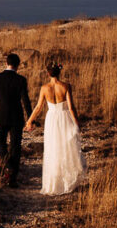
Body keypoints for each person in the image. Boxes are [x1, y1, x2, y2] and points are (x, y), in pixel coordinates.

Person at [24, 60, 86, 195]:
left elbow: (38, 107)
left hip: (51, 119)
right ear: (60, 71)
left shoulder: (44, 88)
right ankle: (66, 180)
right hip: (64, 117)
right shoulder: (66, 86)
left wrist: (29, 121)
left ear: (48, 73)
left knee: (53, 148)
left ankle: (54, 182)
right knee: (65, 147)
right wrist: (77, 123)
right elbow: (71, 107)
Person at [0, 51, 32, 187]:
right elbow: (26, 101)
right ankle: (12, 179)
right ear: (18, 65)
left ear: (6, 63)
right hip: (17, 117)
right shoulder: (21, 80)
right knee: (16, 146)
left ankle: (7, 164)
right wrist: (30, 118)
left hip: (0, 116)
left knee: (1, 143)